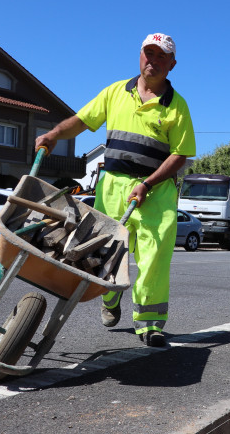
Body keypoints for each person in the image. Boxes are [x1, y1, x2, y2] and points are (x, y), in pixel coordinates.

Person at [36, 33, 195, 347]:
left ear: (172, 64)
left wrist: (148, 184)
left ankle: (150, 325)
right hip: (113, 186)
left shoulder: (177, 107)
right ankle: (109, 300)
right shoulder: (115, 92)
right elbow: (83, 120)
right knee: (107, 251)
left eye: (161, 56)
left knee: (153, 260)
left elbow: (180, 154)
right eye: (148, 53)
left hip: (157, 191)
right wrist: (54, 134)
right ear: (140, 56)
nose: (153, 60)